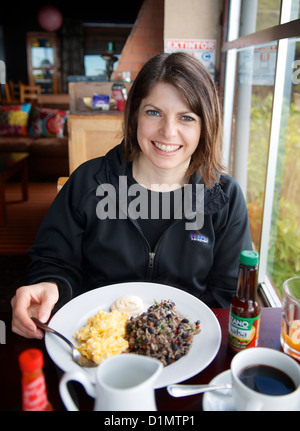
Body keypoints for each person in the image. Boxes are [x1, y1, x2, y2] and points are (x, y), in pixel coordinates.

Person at [11, 52, 252, 339]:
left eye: (186, 117)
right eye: (154, 112)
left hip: (185, 349)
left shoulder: (225, 198)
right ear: (135, 114)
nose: (168, 131)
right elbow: (53, 262)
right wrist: (51, 285)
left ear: (205, 126)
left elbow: (227, 295)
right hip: (98, 344)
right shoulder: (88, 182)